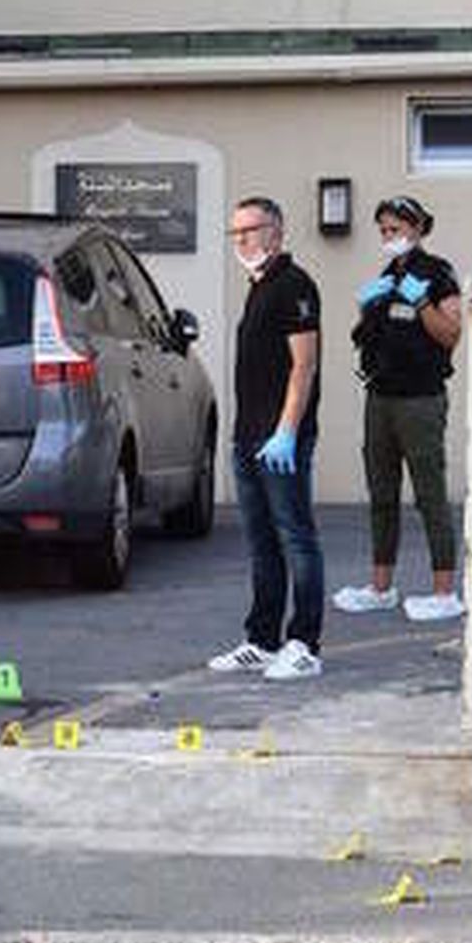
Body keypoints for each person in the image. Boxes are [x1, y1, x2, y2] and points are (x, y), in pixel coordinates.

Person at [206, 196, 326, 681]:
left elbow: (304, 365)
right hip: (248, 437)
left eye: (251, 231)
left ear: (276, 232)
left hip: (282, 440)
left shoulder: (295, 286)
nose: (242, 241)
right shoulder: (258, 287)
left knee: (297, 538)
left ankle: (303, 644)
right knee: (261, 545)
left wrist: (287, 432)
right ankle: (262, 639)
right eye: (235, 233)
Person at [336, 195, 466, 622]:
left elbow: (450, 335)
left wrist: (422, 302)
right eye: (384, 231)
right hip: (381, 396)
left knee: (429, 493)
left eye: (395, 229)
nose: (388, 237)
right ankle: (381, 587)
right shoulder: (386, 274)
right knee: (382, 494)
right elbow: (370, 333)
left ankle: (444, 591)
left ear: (417, 229)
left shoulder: (437, 273)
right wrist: (366, 307)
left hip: (420, 399)